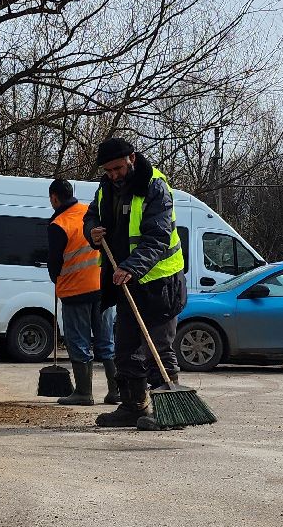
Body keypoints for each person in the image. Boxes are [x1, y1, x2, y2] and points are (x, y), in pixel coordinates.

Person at [83, 136, 188, 429]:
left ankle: (169, 411)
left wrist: (131, 266)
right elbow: (91, 215)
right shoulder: (105, 187)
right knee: (126, 347)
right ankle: (133, 405)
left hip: (160, 281)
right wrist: (92, 231)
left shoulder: (154, 186)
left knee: (158, 347)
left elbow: (158, 237)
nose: (113, 175)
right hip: (126, 281)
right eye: (108, 170)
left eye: (117, 168)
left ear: (131, 158)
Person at [46, 178, 118, 406]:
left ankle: (84, 393)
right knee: (106, 342)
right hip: (103, 288)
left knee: (79, 342)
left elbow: (54, 262)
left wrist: (56, 279)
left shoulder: (59, 224)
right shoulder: (89, 213)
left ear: (54, 198)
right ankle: (116, 391)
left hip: (75, 291)